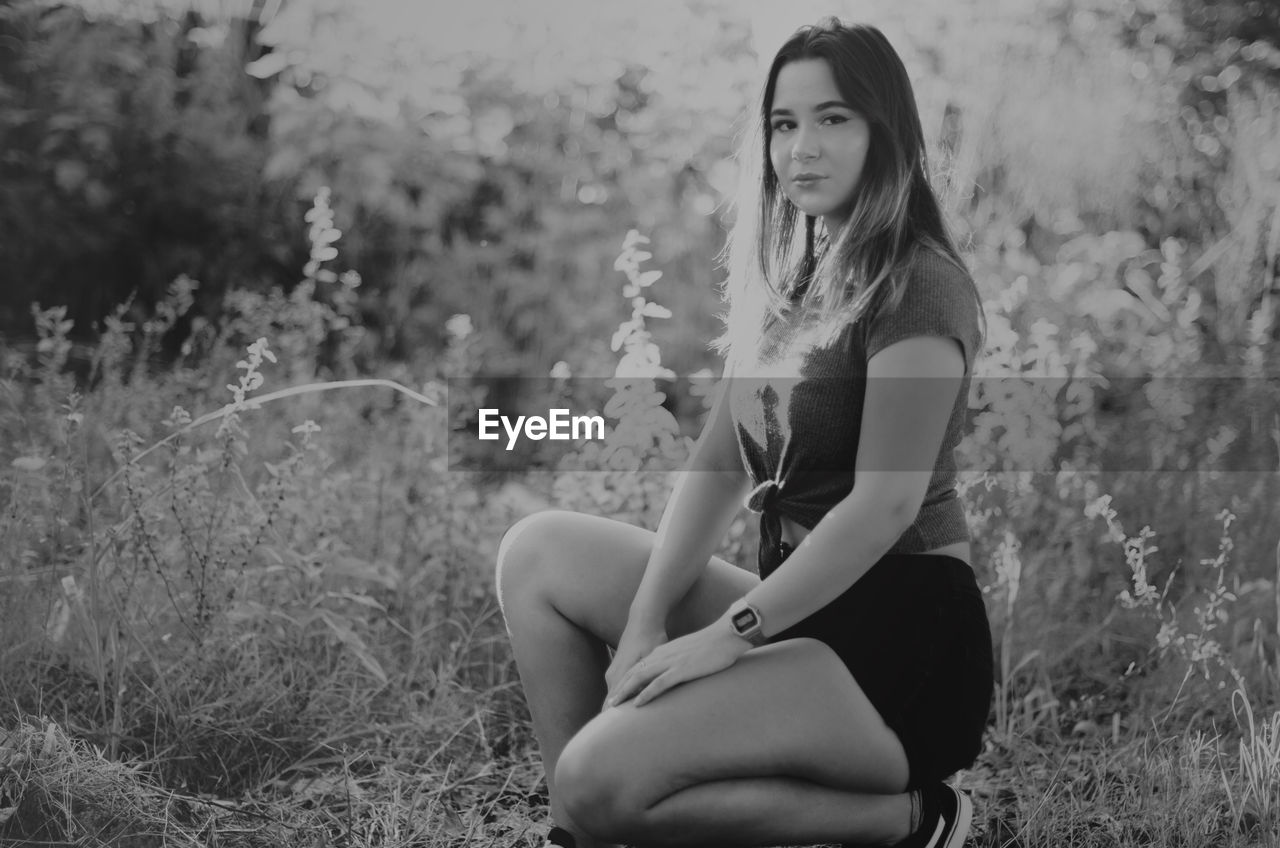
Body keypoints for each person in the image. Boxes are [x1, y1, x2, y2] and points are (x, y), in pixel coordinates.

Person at [496, 18, 993, 848]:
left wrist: (726, 641)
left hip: (898, 648)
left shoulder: (920, 288)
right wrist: (649, 620)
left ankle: (912, 821)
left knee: (596, 778)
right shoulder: (796, 284)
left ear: (886, 130)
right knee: (539, 551)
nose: (803, 146)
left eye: (834, 119)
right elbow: (721, 460)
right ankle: (587, 831)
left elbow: (883, 508)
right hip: (803, 608)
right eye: (784, 123)